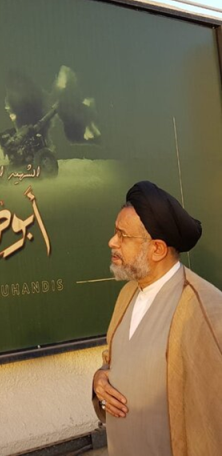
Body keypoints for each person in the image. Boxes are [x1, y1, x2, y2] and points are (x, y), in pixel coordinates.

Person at [92, 181, 222, 455]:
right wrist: (99, 380)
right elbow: (113, 362)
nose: (112, 242)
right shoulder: (127, 296)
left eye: (122, 235)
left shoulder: (203, 308)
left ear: (158, 249)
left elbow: (213, 422)